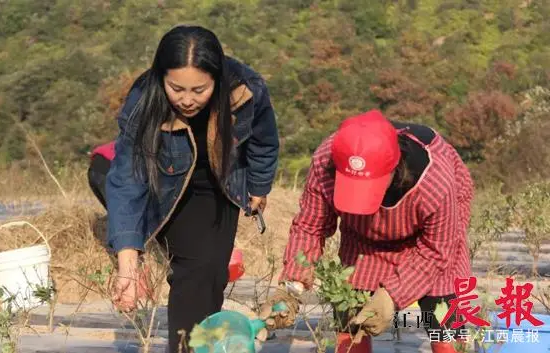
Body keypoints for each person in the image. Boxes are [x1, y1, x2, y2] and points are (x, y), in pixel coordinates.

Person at [102, 25, 279, 353]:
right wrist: (128, 262)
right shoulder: (144, 99)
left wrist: (258, 186)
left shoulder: (245, 89)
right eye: (176, 88)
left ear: (218, 79)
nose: (186, 100)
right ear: (161, 78)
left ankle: (204, 345)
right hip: (166, 183)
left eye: (199, 90)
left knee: (213, 272)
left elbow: (264, 142)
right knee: (195, 272)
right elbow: (128, 176)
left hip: (219, 184)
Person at [259, 110, 474, 353]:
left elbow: (437, 250)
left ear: (394, 168)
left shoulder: (435, 183)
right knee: (351, 321)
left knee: (444, 324)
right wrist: (291, 288)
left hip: (428, 245)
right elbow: (311, 226)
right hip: (362, 239)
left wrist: (392, 294)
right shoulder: (326, 161)